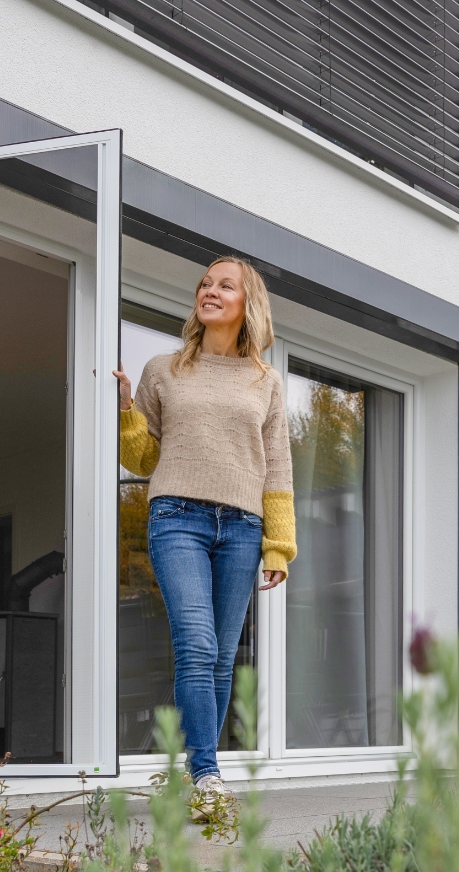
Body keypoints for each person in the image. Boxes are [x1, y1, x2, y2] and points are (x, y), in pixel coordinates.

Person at [113, 256, 296, 806]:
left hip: (242, 526)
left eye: (224, 285)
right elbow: (143, 458)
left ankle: (197, 774)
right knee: (196, 643)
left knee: (220, 656)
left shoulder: (266, 381)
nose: (209, 291)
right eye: (204, 284)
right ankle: (207, 775)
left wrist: (278, 546)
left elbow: (278, 467)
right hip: (177, 520)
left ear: (248, 304)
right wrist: (126, 412)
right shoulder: (163, 370)